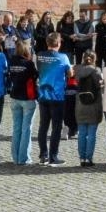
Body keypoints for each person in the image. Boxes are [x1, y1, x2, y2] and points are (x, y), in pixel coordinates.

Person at [36, 31, 71, 165]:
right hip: (57, 96)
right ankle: (53, 156)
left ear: (47, 43)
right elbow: (69, 73)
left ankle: (43, 155)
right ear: (59, 43)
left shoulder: (40, 56)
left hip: (43, 94)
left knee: (43, 126)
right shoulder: (63, 57)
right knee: (56, 127)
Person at [6, 41, 39, 164]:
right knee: (26, 129)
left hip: (14, 96)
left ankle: (15, 157)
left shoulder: (11, 62)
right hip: (27, 97)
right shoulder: (29, 64)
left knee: (16, 128)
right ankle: (24, 158)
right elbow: (35, 76)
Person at [74, 51, 104, 167]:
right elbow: (98, 85)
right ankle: (88, 158)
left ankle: (82, 158)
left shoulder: (77, 70)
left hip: (80, 105)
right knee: (91, 134)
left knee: (82, 133)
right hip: (93, 105)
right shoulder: (96, 71)